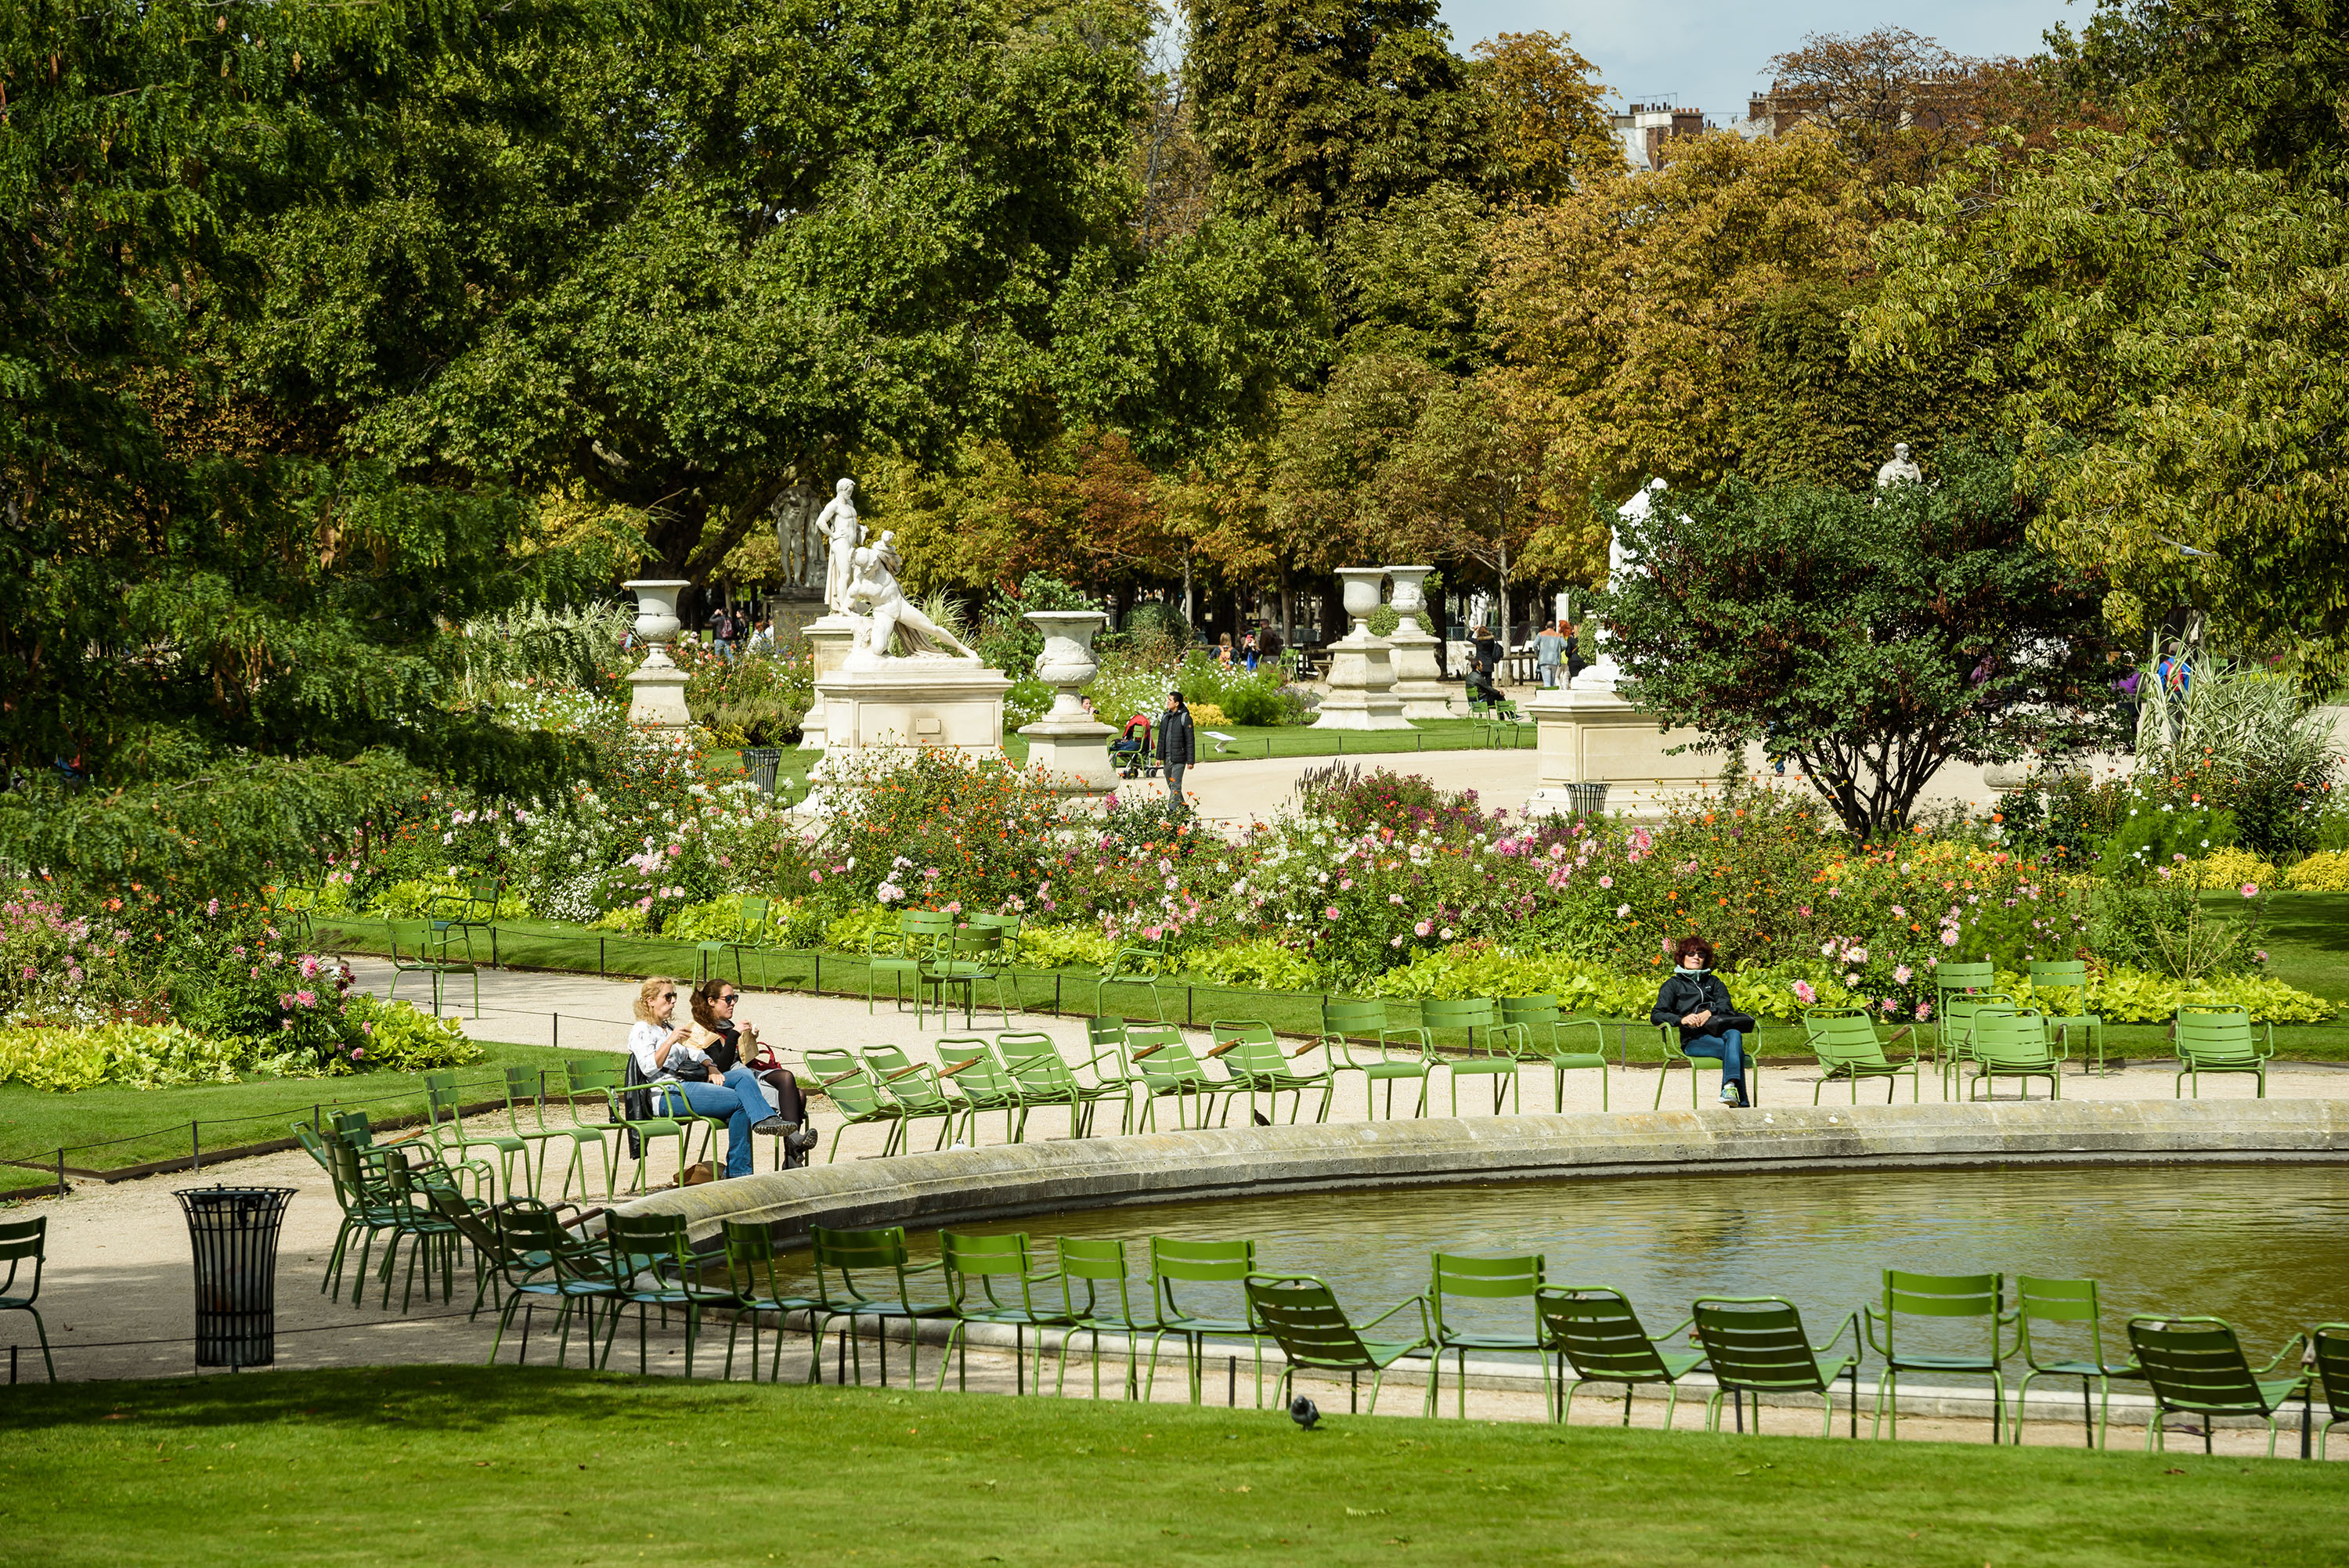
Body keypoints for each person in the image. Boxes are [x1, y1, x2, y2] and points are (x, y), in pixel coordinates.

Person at [626, 976, 788, 1177]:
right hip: (666, 1094)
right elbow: (649, 1067)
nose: (674, 1001)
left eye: (674, 996)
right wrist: (670, 1041)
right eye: (668, 997)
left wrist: (711, 1067)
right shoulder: (642, 1030)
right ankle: (740, 1172)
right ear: (650, 1001)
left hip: (685, 1085)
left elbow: (694, 1052)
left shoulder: (667, 1028)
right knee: (741, 1102)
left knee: (743, 1075)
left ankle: (764, 1121)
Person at [687, 979, 818, 1166]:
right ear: (711, 1001)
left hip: (745, 1072)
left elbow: (742, 1059)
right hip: (730, 1083)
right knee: (796, 1096)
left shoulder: (725, 1024)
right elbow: (720, 1067)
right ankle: (792, 1155)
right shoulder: (702, 1030)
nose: (733, 1003)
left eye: (735, 998)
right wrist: (734, 1034)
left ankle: (792, 1151)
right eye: (728, 998)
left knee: (790, 1082)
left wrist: (749, 1040)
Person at [1650, 937, 1755, 1107]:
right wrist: (1681, 1019)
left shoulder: (1713, 982)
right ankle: (1741, 1103)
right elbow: (1656, 1015)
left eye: (1701, 954)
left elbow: (1726, 1005)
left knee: (1734, 1034)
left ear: (1706, 959)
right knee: (1736, 1052)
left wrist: (1710, 1012)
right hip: (1694, 1041)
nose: (1696, 957)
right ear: (1682, 957)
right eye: (1691, 953)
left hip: (1721, 1035)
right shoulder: (1673, 985)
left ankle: (1729, 1088)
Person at [1156, 689, 1196, 813]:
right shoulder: (1166, 716)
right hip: (1167, 757)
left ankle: (1172, 810)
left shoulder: (1185, 718)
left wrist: (1191, 760)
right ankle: (1183, 806)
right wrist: (1158, 757)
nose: (1167, 702)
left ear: (1177, 703)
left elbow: (1190, 740)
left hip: (1179, 757)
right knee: (1171, 782)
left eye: (1170, 700)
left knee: (1175, 784)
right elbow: (1161, 738)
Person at [1534, 620, 1568, 689]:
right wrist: (1559, 651)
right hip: (1554, 661)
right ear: (1554, 627)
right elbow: (1565, 645)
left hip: (1544, 660)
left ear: (1546, 627)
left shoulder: (1540, 634)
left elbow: (1534, 645)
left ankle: (1547, 697)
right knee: (1552, 682)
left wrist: (1538, 654)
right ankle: (1552, 696)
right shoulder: (1558, 635)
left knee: (1546, 681)